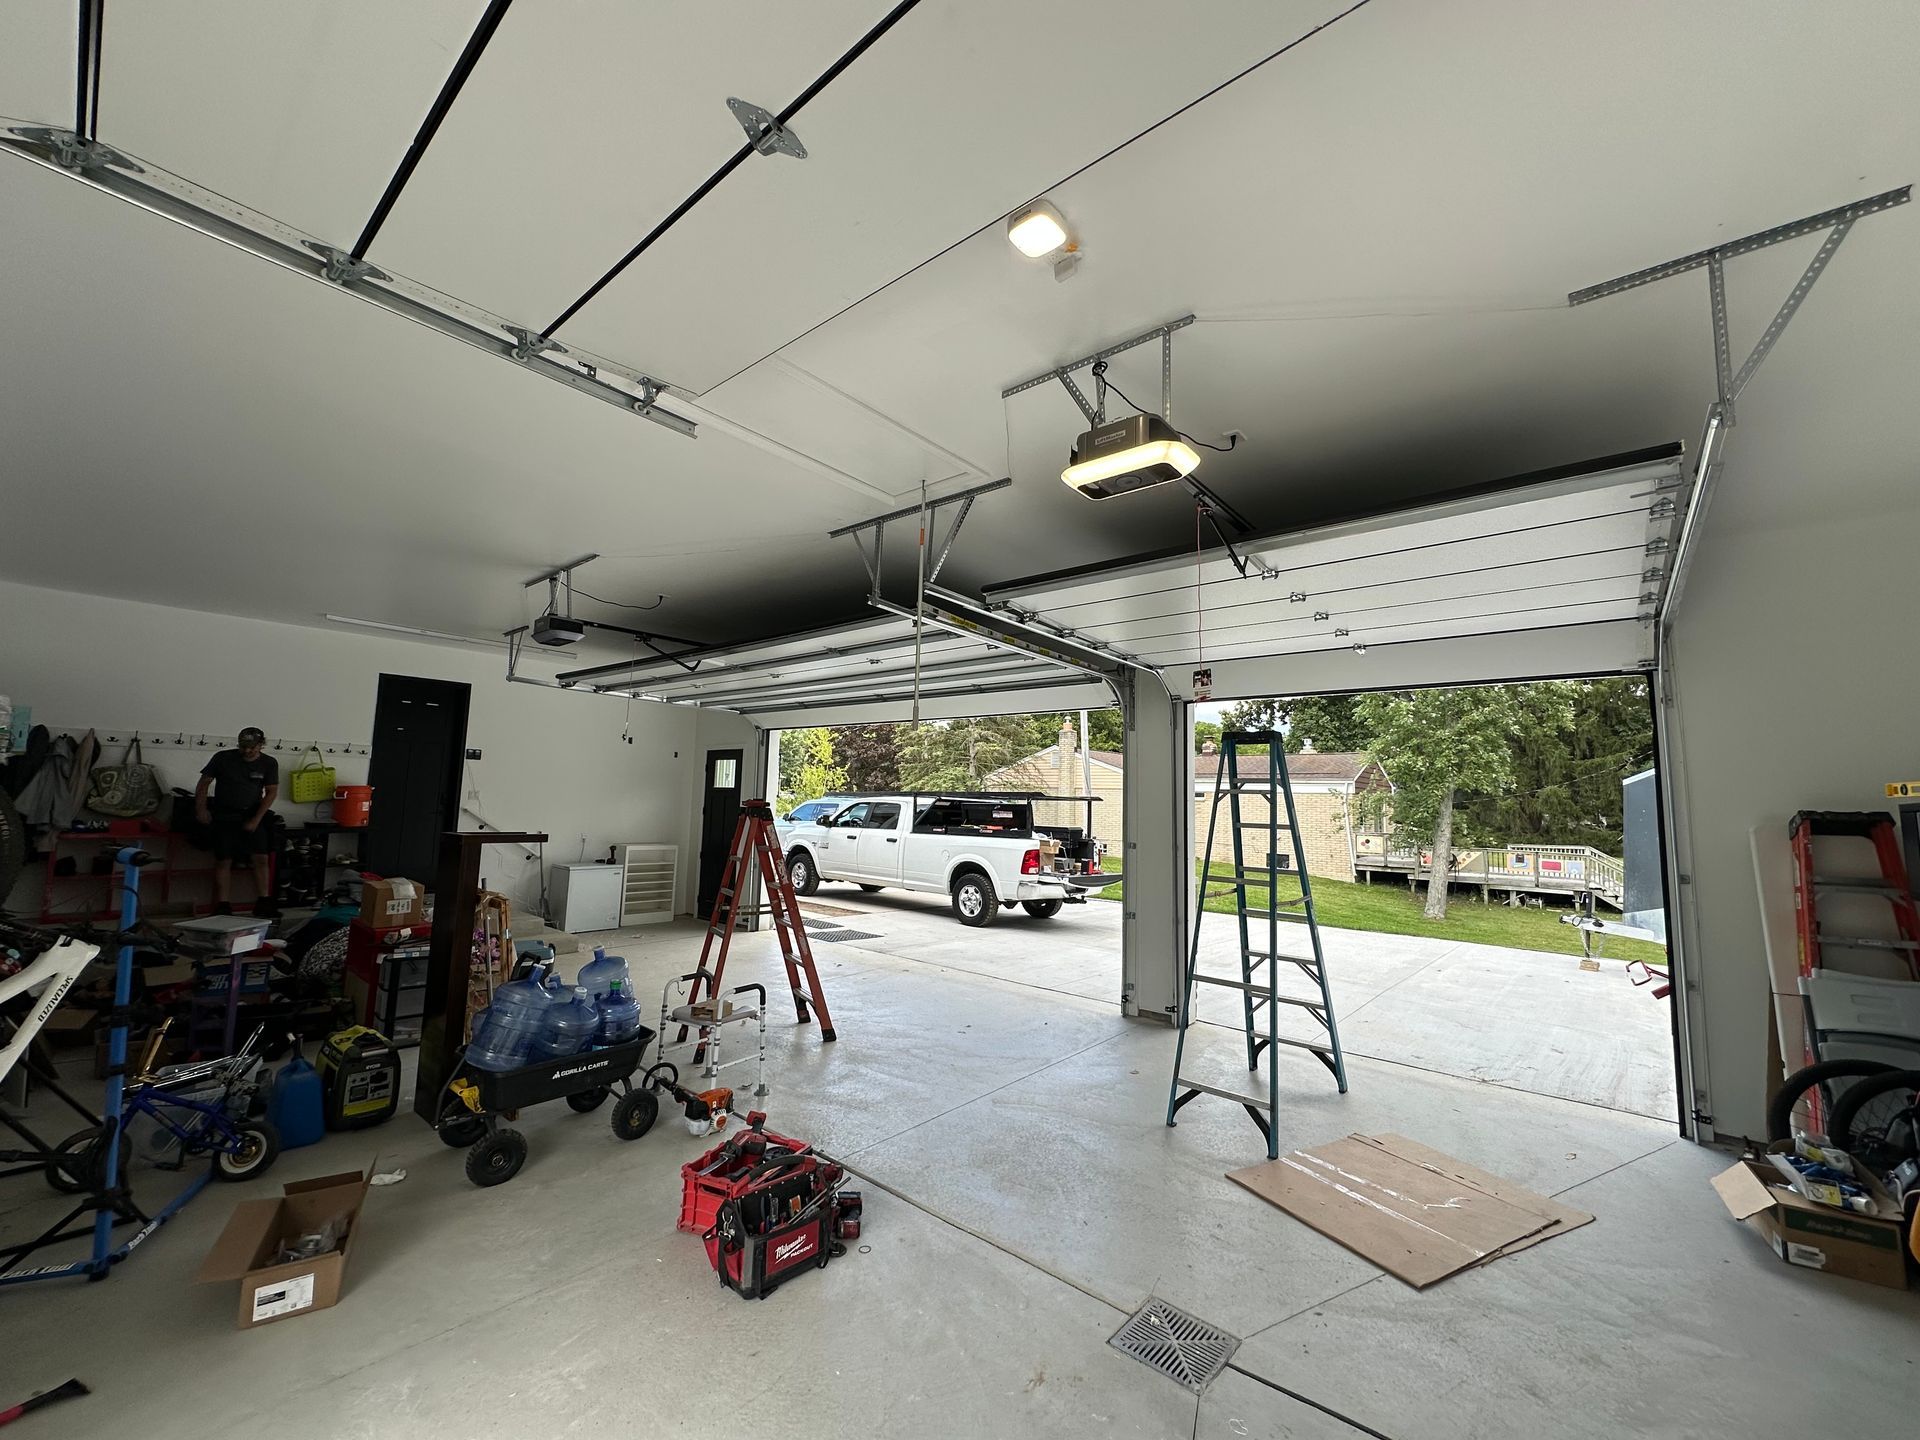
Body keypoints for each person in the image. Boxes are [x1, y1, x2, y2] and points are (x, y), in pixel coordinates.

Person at [195, 727, 279, 916]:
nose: (247, 751)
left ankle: (264, 902)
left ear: (261, 745)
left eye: (252, 747)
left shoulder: (269, 763)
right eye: (243, 747)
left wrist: (256, 819)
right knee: (224, 860)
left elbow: (271, 792)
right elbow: (203, 783)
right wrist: (201, 809)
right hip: (224, 815)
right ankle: (223, 904)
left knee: (261, 858)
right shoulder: (222, 758)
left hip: (252, 814)